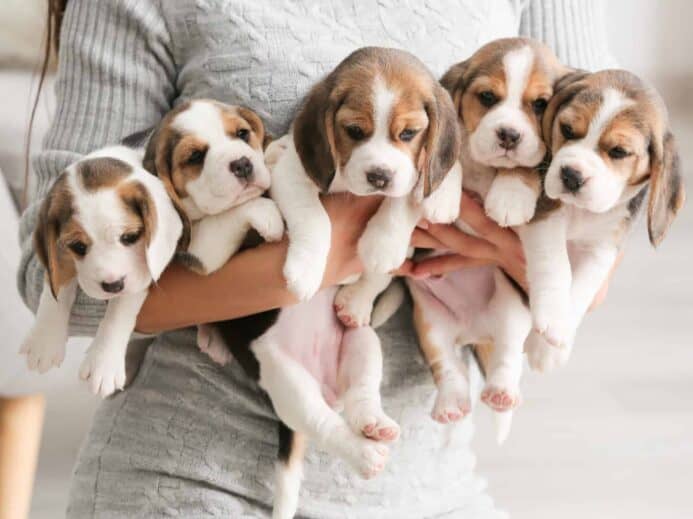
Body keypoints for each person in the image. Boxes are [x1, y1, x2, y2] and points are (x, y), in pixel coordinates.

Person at [18, 0, 616, 516]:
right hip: (190, 480)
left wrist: (494, 237)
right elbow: (51, 280)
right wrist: (328, 247)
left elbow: (593, 247)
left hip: (432, 486)